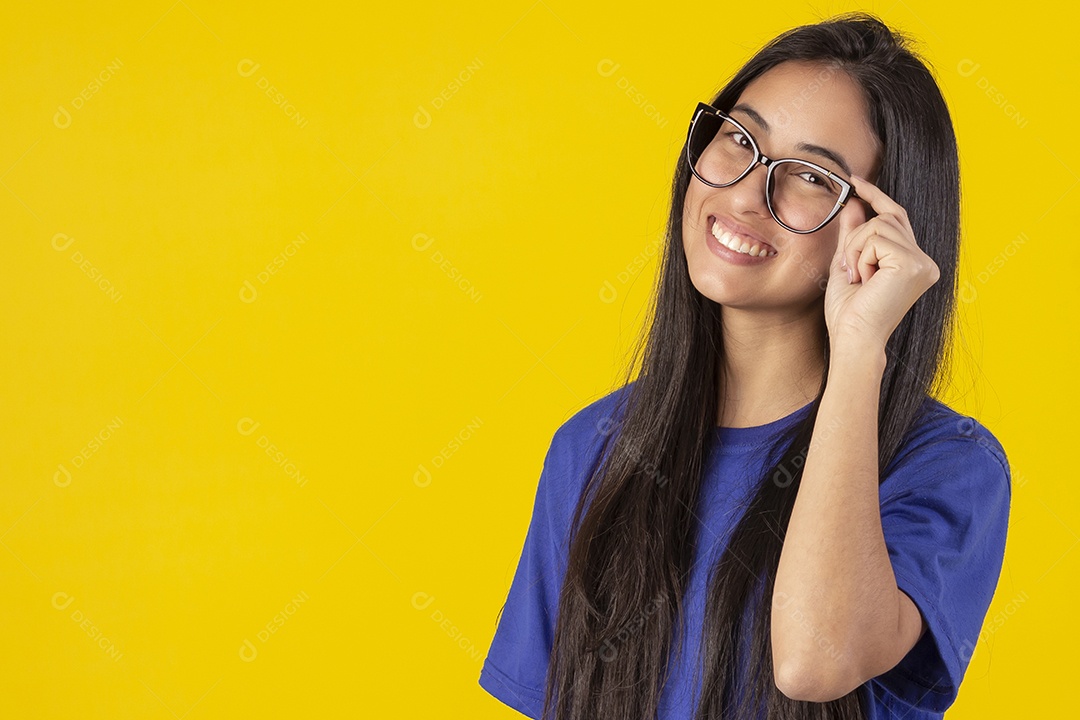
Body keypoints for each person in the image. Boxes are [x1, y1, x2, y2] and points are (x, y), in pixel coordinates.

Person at [478, 11, 1011, 720]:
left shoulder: (946, 466)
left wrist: (859, 350)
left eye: (813, 177)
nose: (747, 194)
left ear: (884, 225)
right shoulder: (593, 447)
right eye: (739, 138)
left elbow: (813, 661)